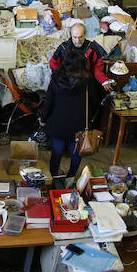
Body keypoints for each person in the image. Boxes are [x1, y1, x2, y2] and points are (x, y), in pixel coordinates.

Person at [40, 53, 94, 184]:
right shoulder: (88, 82)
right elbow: (92, 102)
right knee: (76, 153)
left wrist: (43, 119)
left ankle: (53, 177)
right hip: (79, 125)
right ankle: (70, 179)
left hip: (58, 123)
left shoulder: (56, 79)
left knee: (56, 152)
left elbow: (49, 101)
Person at [50, 23, 115, 92]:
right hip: (67, 80)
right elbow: (54, 64)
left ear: (85, 35)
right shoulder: (63, 48)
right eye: (74, 37)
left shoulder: (92, 48)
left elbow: (97, 68)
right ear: (71, 35)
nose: (77, 41)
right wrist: (56, 79)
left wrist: (103, 80)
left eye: (80, 37)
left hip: (86, 80)